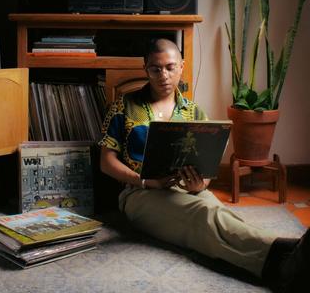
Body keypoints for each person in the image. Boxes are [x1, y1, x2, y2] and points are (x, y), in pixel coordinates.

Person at [98, 37, 309, 293]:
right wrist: (144, 181)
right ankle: (282, 258)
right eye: (155, 69)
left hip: (187, 190)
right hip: (139, 193)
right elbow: (106, 162)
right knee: (203, 216)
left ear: (181, 66)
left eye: (170, 67)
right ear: (146, 69)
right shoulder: (124, 106)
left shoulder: (194, 112)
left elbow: (207, 167)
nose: (163, 75)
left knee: (218, 212)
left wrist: (200, 185)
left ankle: (290, 255)